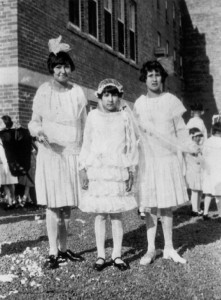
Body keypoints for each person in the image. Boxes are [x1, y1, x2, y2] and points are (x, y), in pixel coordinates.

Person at [28, 36, 87, 269]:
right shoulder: (43, 91)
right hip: (51, 154)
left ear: (70, 68)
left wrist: (86, 157)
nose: (62, 70)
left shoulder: (78, 93)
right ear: (51, 69)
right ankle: (53, 251)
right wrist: (39, 133)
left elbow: (86, 125)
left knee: (66, 206)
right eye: (57, 66)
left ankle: (64, 249)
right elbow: (34, 122)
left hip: (72, 153)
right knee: (53, 205)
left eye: (65, 66)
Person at [134, 59, 197, 265]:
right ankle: (151, 249)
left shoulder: (171, 100)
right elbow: (134, 133)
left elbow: (180, 130)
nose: (154, 79)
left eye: (157, 75)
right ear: (145, 78)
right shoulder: (139, 103)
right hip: (148, 161)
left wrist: (190, 148)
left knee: (166, 207)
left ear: (162, 77)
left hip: (167, 159)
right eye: (150, 75)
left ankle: (169, 247)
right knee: (150, 206)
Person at [79, 79, 138, 271]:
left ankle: (117, 255)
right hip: (98, 169)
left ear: (119, 96)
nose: (110, 99)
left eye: (114, 95)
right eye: (106, 95)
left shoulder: (124, 117)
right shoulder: (93, 116)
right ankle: (101, 255)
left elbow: (130, 144)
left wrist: (130, 169)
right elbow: (86, 143)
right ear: (100, 97)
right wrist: (83, 168)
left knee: (116, 214)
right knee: (100, 214)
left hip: (117, 169)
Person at [201, 122, 221, 220]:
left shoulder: (207, 142)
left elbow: (203, 155)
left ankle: (205, 213)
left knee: (208, 192)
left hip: (209, 170)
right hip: (218, 169)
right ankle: (220, 213)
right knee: (219, 193)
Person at [185, 128, 204, 216]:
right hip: (193, 170)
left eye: (200, 136)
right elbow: (194, 153)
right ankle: (194, 209)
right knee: (195, 190)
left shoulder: (198, 145)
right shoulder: (190, 145)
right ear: (192, 136)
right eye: (197, 136)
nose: (199, 138)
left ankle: (198, 208)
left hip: (199, 170)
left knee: (199, 190)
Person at [0, 116, 18, 208]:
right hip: (8, 161)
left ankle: (11, 200)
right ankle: (11, 200)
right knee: (8, 183)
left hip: (6, 161)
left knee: (7, 183)